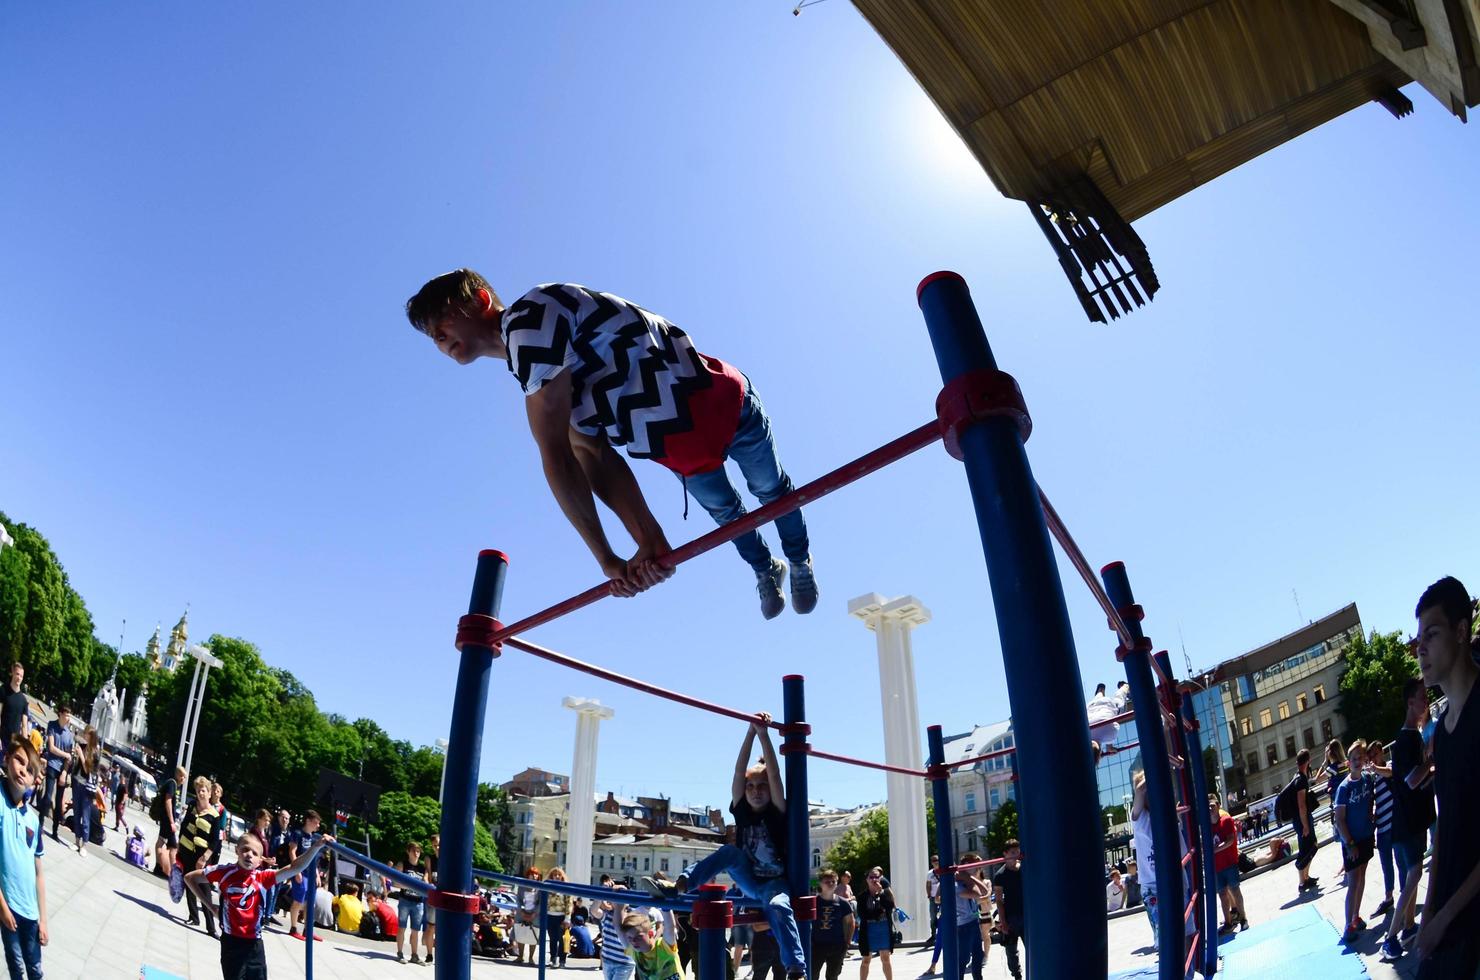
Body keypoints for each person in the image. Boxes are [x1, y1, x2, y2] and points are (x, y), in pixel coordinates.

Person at [405, 271, 819, 621]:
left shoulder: (530, 317)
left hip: (729, 407)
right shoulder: (536, 372)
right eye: (431, 336)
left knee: (770, 492)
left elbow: (557, 455)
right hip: (687, 455)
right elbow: (592, 454)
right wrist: (633, 546)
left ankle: (799, 560)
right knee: (729, 515)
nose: (439, 339)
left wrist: (612, 556)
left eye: (442, 323)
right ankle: (766, 568)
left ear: (480, 301)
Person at [643, 714, 805, 979]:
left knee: (779, 906)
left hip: (776, 882)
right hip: (750, 879)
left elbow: (775, 774)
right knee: (729, 852)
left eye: (761, 786)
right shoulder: (742, 811)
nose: (755, 791)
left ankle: (796, 966)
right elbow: (738, 771)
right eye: (750, 786)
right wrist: (750, 732)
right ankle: (680, 885)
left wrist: (763, 735)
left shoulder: (777, 811)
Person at [1413, 576, 1480, 975]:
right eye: (1418, 638)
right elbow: (1446, 828)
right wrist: (1430, 911)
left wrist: (1443, 918)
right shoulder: (1443, 735)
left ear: (1460, 631)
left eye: (1431, 634)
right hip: (1449, 926)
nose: (1419, 648)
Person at [185, 825, 334, 980]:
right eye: (245, 850)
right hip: (231, 943)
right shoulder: (223, 872)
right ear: (237, 851)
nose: (249, 855)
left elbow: (295, 867)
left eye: (255, 853)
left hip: (255, 944)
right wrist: (210, 907)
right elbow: (190, 878)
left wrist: (316, 847)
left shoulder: (263, 878)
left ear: (259, 860)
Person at [1380, 676, 1437, 963]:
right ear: (1410, 703)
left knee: (1412, 878)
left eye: (1427, 696)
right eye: (1422, 697)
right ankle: (1390, 938)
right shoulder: (1407, 739)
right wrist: (1432, 760)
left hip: (1412, 822)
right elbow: (1413, 780)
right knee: (1414, 875)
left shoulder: (1411, 737)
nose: (1426, 701)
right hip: (1407, 825)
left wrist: (1431, 768)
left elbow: (1415, 780)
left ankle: (1408, 927)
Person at [0, 736, 47, 980]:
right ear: (6, 758)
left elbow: (39, 872)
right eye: (19, 760)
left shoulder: (32, 819)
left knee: (36, 971)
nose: (23, 771)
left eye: (30, 770)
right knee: (17, 969)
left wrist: (44, 920)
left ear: (33, 781)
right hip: (8, 908)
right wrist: (2, 907)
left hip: (31, 913)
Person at [1334, 739, 1376, 944]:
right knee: (1352, 883)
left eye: (1360, 757)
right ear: (1348, 763)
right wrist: (1349, 843)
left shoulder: (1368, 779)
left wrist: (1372, 816)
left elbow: (1371, 802)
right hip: (1352, 843)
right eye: (1353, 759)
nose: (1357, 761)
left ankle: (1356, 916)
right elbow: (1339, 820)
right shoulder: (1344, 788)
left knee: (1362, 877)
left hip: (1366, 837)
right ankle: (1347, 925)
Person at [177, 776, 224, 936]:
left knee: (205, 891)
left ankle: (211, 927)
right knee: (189, 883)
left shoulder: (214, 815)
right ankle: (193, 917)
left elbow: (215, 840)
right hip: (186, 850)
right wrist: (179, 844)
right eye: (198, 791)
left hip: (202, 856)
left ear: (209, 793)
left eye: (203, 790)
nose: (200, 794)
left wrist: (205, 857)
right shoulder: (192, 805)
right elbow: (184, 826)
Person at [1365, 740, 1397, 920]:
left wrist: (1375, 769)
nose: (1374, 759)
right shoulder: (1373, 778)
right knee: (1386, 865)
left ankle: (1406, 890)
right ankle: (1389, 896)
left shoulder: (1388, 766)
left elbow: (1391, 773)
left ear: (1382, 753)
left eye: (1376, 754)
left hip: (1396, 824)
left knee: (1400, 861)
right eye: (1371, 757)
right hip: (1382, 827)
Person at [1209, 796, 1247, 933]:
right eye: (1208, 806)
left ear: (1218, 806)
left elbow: (1230, 840)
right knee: (1222, 895)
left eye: (1212, 805)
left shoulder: (1226, 820)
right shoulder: (1207, 827)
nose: (1210, 809)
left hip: (1230, 863)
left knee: (1235, 891)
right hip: (1217, 867)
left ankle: (1243, 919)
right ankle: (1228, 922)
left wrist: (1214, 849)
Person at [952, 855, 991, 980]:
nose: (978, 869)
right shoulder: (956, 885)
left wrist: (969, 876)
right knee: (963, 958)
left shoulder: (967, 881)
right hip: (963, 926)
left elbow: (985, 892)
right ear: (967, 865)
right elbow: (978, 893)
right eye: (975, 866)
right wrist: (966, 876)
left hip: (973, 922)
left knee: (977, 955)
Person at [285, 810, 323, 939]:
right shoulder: (298, 834)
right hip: (301, 871)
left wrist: (317, 875)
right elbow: (292, 851)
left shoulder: (314, 838)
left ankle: (308, 930)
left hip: (311, 873)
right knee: (298, 900)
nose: (318, 826)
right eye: (316, 822)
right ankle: (293, 928)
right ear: (308, 821)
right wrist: (297, 870)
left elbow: (314, 858)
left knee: (310, 902)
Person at [810, 869, 853, 980]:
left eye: (833, 881)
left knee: (833, 976)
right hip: (817, 945)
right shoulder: (814, 902)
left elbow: (851, 922)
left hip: (837, 946)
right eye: (827, 882)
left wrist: (847, 942)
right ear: (820, 883)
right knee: (812, 975)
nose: (830, 884)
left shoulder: (843, 902)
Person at [620, 908, 685, 980]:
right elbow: (618, 927)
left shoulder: (663, 946)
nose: (634, 941)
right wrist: (618, 906)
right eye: (630, 938)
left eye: (638, 936)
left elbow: (670, 928)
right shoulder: (635, 951)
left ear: (650, 934)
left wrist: (666, 908)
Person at [992, 842, 1025, 980]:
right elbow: (999, 900)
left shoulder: (1025, 869)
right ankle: (1017, 975)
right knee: (1011, 949)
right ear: (1005, 854)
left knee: (1034, 947)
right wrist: (1003, 921)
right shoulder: (1000, 875)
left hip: (1027, 915)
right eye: (1013, 852)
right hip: (1011, 916)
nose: (1016, 855)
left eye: (1017, 852)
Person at [855, 867, 895, 980]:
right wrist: (877, 912)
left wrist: (881, 893)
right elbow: (863, 914)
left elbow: (889, 906)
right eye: (871, 877)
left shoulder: (885, 892)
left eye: (876, 877)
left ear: (880, 878)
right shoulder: (862, 896)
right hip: (869, 929)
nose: (874, 879)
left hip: (883, 927)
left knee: (885, 958)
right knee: (866, 959)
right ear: (867, 880)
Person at [38, 706, 71, 842]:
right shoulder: (52, 725)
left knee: (59, 802)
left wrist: (64, 771)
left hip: (61, 768)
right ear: (60, 714)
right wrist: (65, 755)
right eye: (66, 714)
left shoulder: (69, 734)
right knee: (47, 796)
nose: (68, 718)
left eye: (69, 715)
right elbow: (51, 747)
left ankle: (55, 830)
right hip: (52, 764)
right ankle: (40, 824)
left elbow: (70, 758)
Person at [394, 840, 429, 964]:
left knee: (416, 930)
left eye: (418, 851)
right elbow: (395, 883)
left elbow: (425, 882)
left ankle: (414, 955)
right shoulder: (402, 864)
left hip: (418, 902)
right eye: (413, 850)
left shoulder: (423, 868)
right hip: (405, 900)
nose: (416, 853)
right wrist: (409, 886)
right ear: (408, 851)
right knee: (401, 927)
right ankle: (399, 953)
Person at [1290, 749, 1319, 894]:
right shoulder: (1301, 780)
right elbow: (1301, 804)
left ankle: (1305, 878)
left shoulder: (1298, 777)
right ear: (1308, 761)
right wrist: (1305, 826)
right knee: (1308, 848)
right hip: (1302, 820)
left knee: (1309, 847)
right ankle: (1302, 882)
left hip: (1300, 820)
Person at [592, 881, 635, 980]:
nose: (617, 900)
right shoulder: (607, 914)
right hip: (607, 960)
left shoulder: (631, 916)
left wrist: (621, 904)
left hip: (624, 963)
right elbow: (594, 910)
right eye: (614, 897)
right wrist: (603, 890)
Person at [68, 727, 100, 858]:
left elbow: (88, 771)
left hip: (86, 787)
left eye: (88, 734)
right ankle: (76, 841)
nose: (85, 736)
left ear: (92, 736)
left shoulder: (95, 753)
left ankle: (84, 845)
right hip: (77, 782)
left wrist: (81, 756)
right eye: (85, 733)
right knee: (77, 813)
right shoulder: (82, 746)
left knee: (85, 816)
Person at [154, 765, 187, 878]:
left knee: (162, 842)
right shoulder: (172, 784)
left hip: (166, 818)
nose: (183, 779)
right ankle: (168, 872)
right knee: (173, 846)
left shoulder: (171, 784)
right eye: (182, 776)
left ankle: (160, 867)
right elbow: (168, 801)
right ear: (178, 775)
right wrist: (172, 821)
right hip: (167, 819)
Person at [545, 866, 573, 969]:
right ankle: (553, 958)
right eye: (554, 875)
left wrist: (567, 918)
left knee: (563, 939)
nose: (556, 876)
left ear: (562, 876)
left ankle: (562, 960)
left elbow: (569, 903)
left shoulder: (566, 887)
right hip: (550, 916)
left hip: (562, 917)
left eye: (559, 875)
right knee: (552, 939)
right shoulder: (548, 886)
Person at [267, 809, 292, 920]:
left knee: (277, 890)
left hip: (283, 865)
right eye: (282, 817)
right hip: (271, 862)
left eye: (287, 818)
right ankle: (266, 913)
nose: (284, 820)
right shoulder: (272, 830)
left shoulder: (289, 835)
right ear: (278, 818)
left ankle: (270, 912)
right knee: (270, 889)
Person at [514, 868, 543, 964]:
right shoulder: (522, 886)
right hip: (522, 913)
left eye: (536, 874)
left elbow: (541, 903)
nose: (534, 876)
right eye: (532, 874)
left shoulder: (540, 888)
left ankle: (531, 958)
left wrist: (534, 914)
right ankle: (520, 956)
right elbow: (518, 900)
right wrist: (522, 911)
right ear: (528, 875)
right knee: (520, 934)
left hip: (535, 914)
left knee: (533, 936)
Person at [0, 667, 29, 752]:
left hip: (13, 744)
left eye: (21, 676)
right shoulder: (3, 690)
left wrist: (26, 747)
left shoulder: (24, 701)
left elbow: (24, 726)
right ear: (12, 673)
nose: (19, 677)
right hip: (2, 739)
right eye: (17, 674)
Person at [424, 833, 440, 965]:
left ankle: (440, 955)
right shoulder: (430, 859)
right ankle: (429, 954)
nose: (437, 847)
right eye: (435, 845)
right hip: (434, 896)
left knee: (443, 928)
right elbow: (427, 875)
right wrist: (426, 884)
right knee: (431, 927)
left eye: (439, 845)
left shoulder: (448, 859)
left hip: (444, 897)